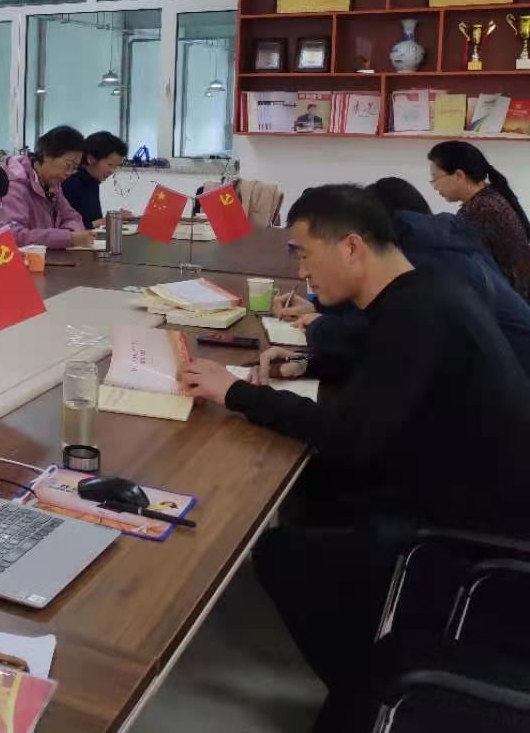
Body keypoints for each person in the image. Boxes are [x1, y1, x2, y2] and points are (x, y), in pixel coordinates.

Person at [178, 185, 530, 728]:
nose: (302, 272)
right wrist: (307, 365)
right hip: (465, 494)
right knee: (313, 490)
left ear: (350, 247)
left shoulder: (417, 313)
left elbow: (352, 436)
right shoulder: (424, 291)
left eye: (304, 254)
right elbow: (381, 364)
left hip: (468, 533)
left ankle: (373, 693)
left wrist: (235, 393)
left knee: (282, 550)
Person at [266, 176, 530, 379]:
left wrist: (318, 326)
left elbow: (367, 338)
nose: (302, 271)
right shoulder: (440, 240)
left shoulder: (425, 268)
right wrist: (318, 308)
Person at [428, 139, 530, 299]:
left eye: (435, 179)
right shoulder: (490, 198)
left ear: (459, 175)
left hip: (509, 303)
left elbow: (461, 266)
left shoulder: (482, 210)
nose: (435, 187)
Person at [0, 126, 95, 249]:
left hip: (43, 257)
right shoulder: (13, 185)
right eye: (68, 165)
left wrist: (70, 235)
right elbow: (12, 236)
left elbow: (72, 217)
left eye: (74, 168)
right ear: (46, 155)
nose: (69, 173)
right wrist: (66, 238)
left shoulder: (52, 184)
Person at [59, 130, 128, 228]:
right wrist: (100, 222)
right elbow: (65, 228)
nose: (112, 171)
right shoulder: (71, 183)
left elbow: (92, 219)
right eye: (110, 165)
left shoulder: (93, 181)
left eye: (116, 166)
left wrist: (115, 218)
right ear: (91, 159)